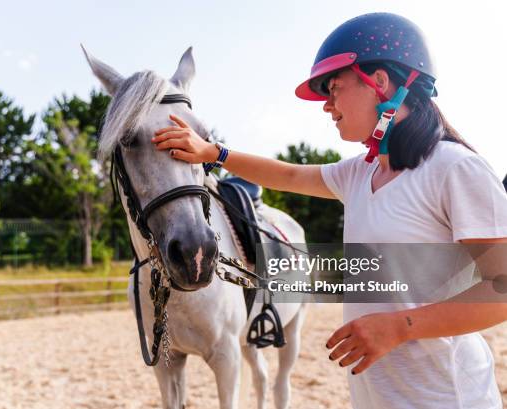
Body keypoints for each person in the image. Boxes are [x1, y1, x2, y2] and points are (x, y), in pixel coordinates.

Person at [151, 12, 507, 409]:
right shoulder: (361, 172)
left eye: (334, 88)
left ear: (381, 84)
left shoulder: (455, 168)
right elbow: (287, 174)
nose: (327, 106)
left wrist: (400, 328)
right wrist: (214, 153)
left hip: (446, 398)